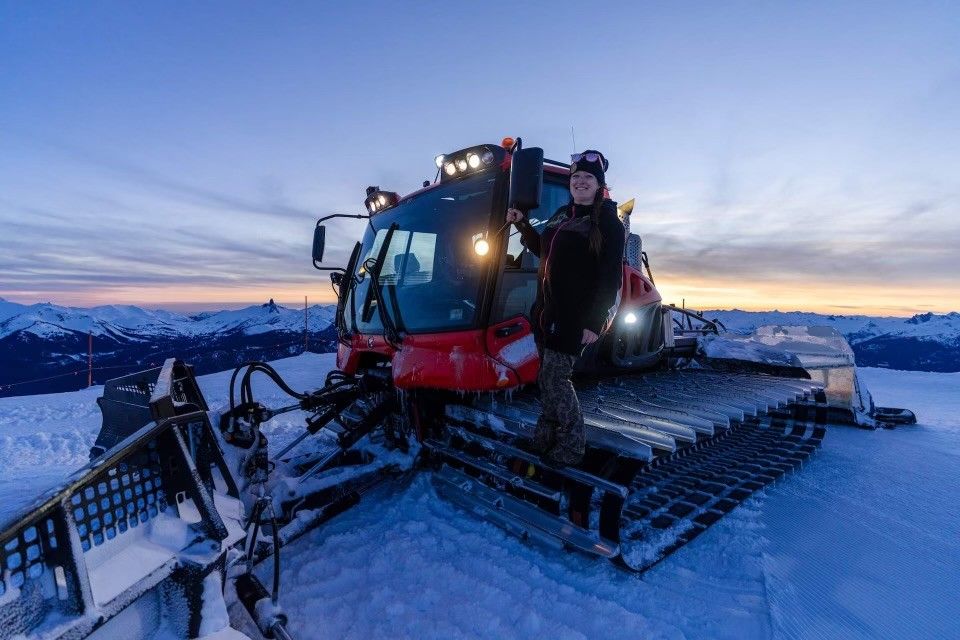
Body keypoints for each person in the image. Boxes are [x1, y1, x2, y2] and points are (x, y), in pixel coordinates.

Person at [506, 150, 625, 465]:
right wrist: (523, 225)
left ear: (599, 184)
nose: (581, 182)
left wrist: (594, 321)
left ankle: (572, 446)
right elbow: (542, 250)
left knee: (557, 379)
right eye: (576, 177)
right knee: (546, 379)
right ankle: (546, 438)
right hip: (547, 313)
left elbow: (610, 276)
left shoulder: (608, 223)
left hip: (574, 317)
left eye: (588, 177)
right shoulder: (563, 214)